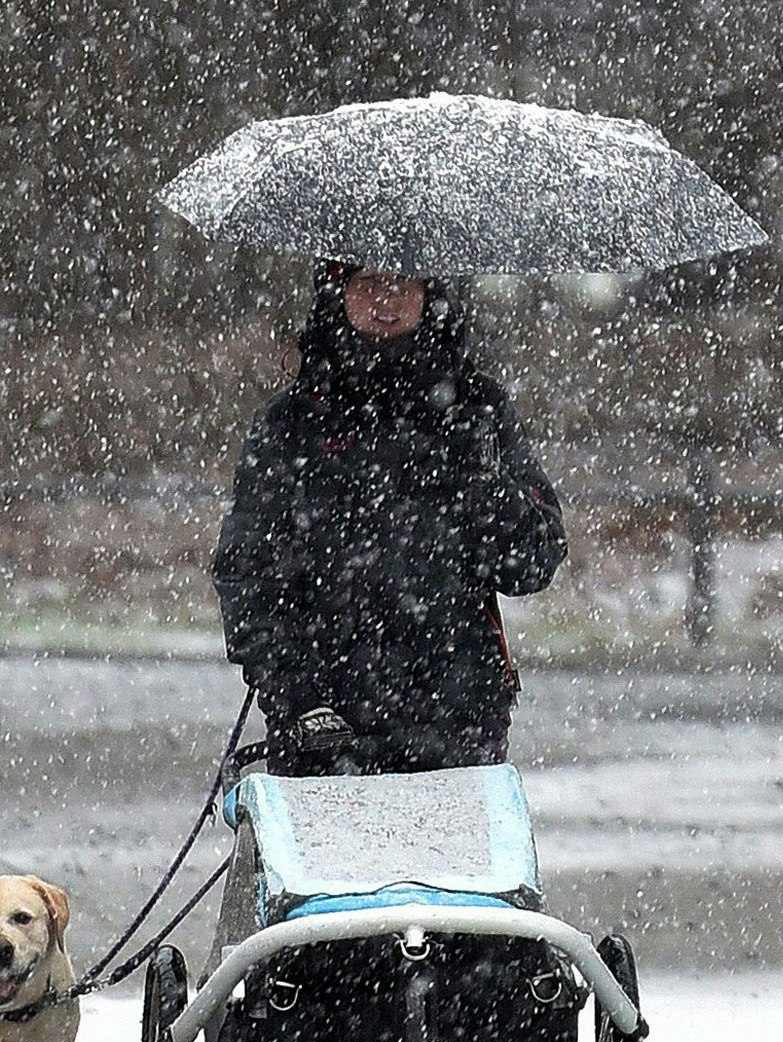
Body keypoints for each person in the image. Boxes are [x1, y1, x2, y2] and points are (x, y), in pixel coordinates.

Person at [215, 261, 566, 776]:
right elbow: (247, 573)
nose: (387, 301)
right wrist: (296, 696)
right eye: (369, 283)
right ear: (337, 292)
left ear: (431, 294)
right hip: (323, 731)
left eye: (405, 284)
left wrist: (482, 484)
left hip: (458, 724)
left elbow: (533, 562)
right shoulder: (290, 424)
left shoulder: (477, 410)